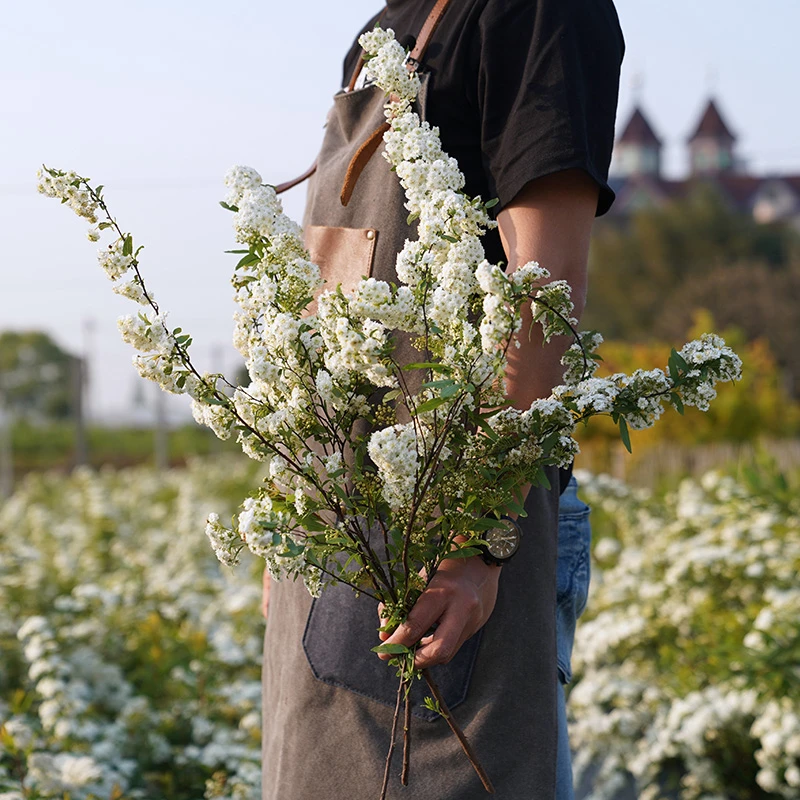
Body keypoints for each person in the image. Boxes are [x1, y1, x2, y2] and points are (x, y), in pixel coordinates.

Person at [261, 2, 623, 798]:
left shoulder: (534, 13)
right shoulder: (384, 31)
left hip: (454, 546)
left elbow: (544, 290)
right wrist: (290, 517)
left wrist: (476, 543)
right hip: (340, 535)